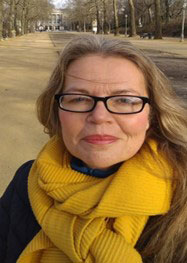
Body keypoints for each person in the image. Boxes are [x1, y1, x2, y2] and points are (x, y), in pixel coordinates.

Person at [0, 35, 186, 263]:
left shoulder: (182, 195)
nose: (99, 117)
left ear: (151, 116)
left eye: (125, 100)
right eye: (79, 99)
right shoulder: (27, 181)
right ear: (56, 112)